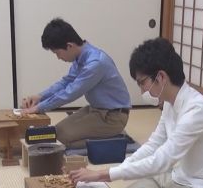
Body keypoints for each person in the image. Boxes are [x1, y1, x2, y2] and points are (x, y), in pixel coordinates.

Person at [68, 37, 203, 188]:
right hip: (177, 176)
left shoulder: (197, 111)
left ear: (161, 77)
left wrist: (102, 174)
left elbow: (162, 160)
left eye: (142, 83)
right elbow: (153, 145)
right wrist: (118, 169)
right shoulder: (170, 103)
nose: (141, 90)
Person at [21, 18, 131, 149]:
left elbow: (70, 93)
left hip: (112, 117)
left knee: (60, 140)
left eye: (57, 53)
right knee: (56, 131)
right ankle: (106, 134)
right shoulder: (81, 57)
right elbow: (66, 82)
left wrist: (39, 108)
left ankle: (116, 138)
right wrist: (40, 96)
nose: (58, 57)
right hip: (96, 110)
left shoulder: (95, 63)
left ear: (69, 46)